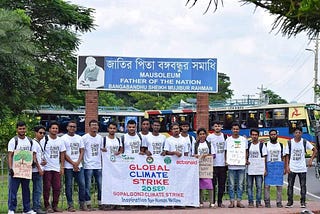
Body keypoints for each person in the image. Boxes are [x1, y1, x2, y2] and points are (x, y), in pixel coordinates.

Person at [8, 121, 37, 214]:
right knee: (13, 191)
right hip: (15, 170)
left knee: (26, 190)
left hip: (26, 171)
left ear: (26, 129)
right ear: (17, 129)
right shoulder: (13, 141)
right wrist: (10, 168)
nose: (22, 130)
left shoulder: (30, 141)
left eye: (23, 128)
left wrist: (33, 162)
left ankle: (27, 209)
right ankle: (11, 209)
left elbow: (32, 154)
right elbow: (10, 155)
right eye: (20, 128)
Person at [285, 126, 317, 208]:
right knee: (290, 185)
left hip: (302, 167)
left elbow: (315, 150)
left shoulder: (304, 142)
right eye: (296, 133)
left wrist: (310, 160)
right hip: (292, 167)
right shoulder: (289, 143)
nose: (298, 134)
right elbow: (287, 155)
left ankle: (303, 202)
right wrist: (287, 166)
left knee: (303, 185)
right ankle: (290, 202)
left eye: (299, 132)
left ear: (301, 133)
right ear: (293, 134)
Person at [61, 121, 87, 212]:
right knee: (69, 186)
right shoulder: (63, 138)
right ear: (67, 127)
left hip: (79, 165)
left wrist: (78, 163)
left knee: (82, 185)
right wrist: (73, 163)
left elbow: (82, 151)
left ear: (76, 128)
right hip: (68, 166)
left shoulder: (79, 138)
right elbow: (63, 153)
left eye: (74, 127)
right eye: (70, 126)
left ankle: (82, 204)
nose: (72, 128)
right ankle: (70, 205)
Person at [41, 122, 66, 213]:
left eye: (56, 128)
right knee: (47, 187)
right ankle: (47, 206)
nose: (55, 130)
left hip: (56, 167)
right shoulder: (45, 139)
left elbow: (62, 153)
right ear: (49, 129)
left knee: (57, 187)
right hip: (47, 168)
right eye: (53, 128)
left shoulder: (60, 140)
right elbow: (41, 151)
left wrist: (62, 166)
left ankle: (55, 205)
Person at [225, 122, 247, 208]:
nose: (235, 130)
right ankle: (231, 201)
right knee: (231, 184)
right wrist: (226, 160)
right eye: (234, 129)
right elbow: (226, 151)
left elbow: (245, 151)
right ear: (231, 130)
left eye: (237, 129)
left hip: (241, 165)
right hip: (231, 165)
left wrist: (245, 159)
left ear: (239, 130)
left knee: (240, 184)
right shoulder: (228, 140)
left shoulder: (243, 139)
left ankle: (239, 201)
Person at [83, 119, 103, 210]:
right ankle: (88, 203)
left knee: (100, 185)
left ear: (98, 127)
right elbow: (81, 151)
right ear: (89, 126)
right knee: (88, 186)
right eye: (93, 125)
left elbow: (103, 151)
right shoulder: (84, 138)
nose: (94, 126)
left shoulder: (100, 138)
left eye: (96, 125)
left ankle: (100, 203)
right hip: (88, 165)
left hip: (98, 165)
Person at [193, 128, 216, 208]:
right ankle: (200, 202)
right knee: (199, 185)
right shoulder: (195, 145)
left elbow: (214, 155)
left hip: (207, 168)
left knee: (209, 185)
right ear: (198, 135)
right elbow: (192, 155)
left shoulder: (209, 144)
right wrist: (195, 156)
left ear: (206, 135)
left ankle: (211, 202)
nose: (202, 135)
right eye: (200, 134)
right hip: (198, 167)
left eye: (203, 134)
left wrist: (207, 155)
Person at [206, 121, 227, 208]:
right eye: (215, 126)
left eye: (219, 126)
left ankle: (220, 201)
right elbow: (206, 148)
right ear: (213, 127)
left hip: (223, 164)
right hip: (213, 164)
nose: (217, 127)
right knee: (213, 184)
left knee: (222, 184)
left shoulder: (225, 136)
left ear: (221, 127)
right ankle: (212, 201)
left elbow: (227, 150)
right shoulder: (210, 137)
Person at [264, 129, 285, 208]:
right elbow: (264, 157)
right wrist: (265, 168)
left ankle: (279, 202)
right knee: (267, 186)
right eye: (271, 134)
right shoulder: (266, 145)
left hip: (278, 167)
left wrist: (284, 168)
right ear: (269, 136)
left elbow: (283, 157)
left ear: (277, 135)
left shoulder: (281, 145)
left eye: (274, 134)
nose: (273, 136)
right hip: (269, 167)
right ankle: (267, 202)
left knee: (279, 186)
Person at [246, 128, 267, 208]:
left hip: (259, 169)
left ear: (258, 136)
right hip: (250, 169)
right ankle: (250, 202)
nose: (254, 136)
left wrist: (265, 169)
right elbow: (246, 155)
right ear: (250, 135)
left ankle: (258, 202)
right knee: (249, 186)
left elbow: (264, 157)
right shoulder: (248, 145)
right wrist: (246, 160)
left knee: (259, 186)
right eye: (253, 135)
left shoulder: (262, 145)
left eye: (256, 135)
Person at [32, 125, 47, 214]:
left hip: (39, 169)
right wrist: (39, 168)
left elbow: (39, 156)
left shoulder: (39, 143)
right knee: (37, 189)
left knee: (37, 189)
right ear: (36, 133)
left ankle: (35, 207)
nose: (42, 135)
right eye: (40, 133)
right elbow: (34, 157)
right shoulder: (34, 143)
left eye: (44, 133)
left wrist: (43, 161)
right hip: (36, 171)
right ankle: (36, 207)